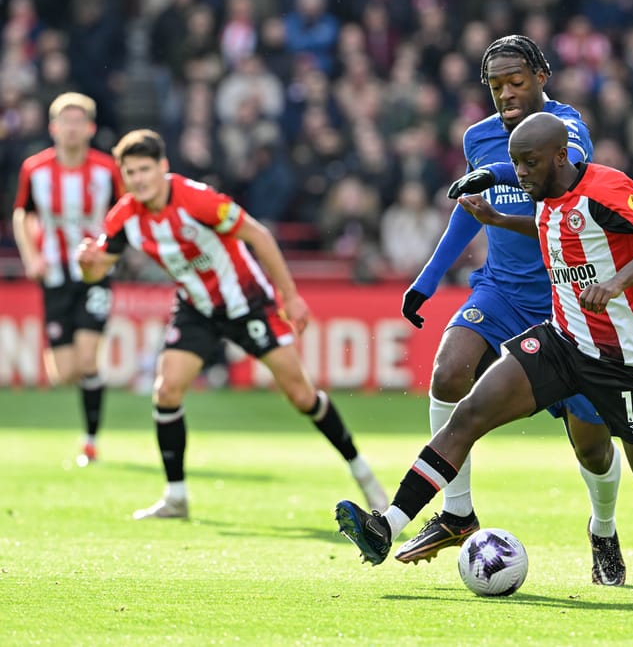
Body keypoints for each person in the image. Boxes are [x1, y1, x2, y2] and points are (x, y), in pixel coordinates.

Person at [335, 112, 633, 598]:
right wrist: (497, 219)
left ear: (560, 157)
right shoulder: (545, 196)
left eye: (529, 164)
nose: (520, 175)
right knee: (467, 415)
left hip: (624, 364)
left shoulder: (606, 188)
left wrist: (617, 281)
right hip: (562, 343)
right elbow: (553, 231)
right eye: (515, 164)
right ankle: (390, 523)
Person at [396, 35, 626, 585]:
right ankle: (456, 511)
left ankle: (604, 526)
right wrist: (427, 280)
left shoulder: (568, 127)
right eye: (496, 85)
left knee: (591, 447)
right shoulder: (477, 137)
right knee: (449, 370)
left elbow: (557, 176)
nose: (505, 92)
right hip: (499, 290)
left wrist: (494, 175)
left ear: (542, 75)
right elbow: (469, 212)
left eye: (516, 81)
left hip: (564, 299)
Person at [75, 129, 387, 520]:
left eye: (144, 170)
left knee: (302, 396)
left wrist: (289, 296)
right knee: (167, 389)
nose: (138, 179)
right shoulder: (124, 217)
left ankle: (366, 478)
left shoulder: (197, 199)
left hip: (248, 304)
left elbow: (259, 234)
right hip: (196, 308)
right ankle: (176, 497)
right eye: (131, 172)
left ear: (163, 167)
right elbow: (97, 269)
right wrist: (87, 265)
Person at [12, 92, 125, 467]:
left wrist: (113, 254)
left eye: (79, 122)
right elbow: (21, 214)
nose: (72, 129)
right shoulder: (35, 168)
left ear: (90, 128)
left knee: (89, 359)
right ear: (53, 128)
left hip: (94, 273)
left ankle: (90, 441)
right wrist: (31, 257)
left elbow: (125, 213)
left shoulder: (107, 169)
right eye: (65, 122)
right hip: (55, 274)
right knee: (65, 373)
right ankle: (73, 375)